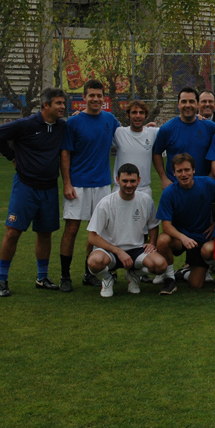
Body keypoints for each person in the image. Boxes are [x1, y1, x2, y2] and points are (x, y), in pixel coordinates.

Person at [0, 87, 67, 297]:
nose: (63, 106)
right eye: (58, 103)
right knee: (13, 231)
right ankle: (2, 279)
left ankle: (42, 277)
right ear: (45, 105)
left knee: (45, 233)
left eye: (63, 103)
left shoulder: (62, 127)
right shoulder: (26, 124)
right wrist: (12, 157)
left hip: (49, 188)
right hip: (26, 186)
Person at [60, 79, 120, 291]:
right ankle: (65, 276)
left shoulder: (110, 120)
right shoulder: (74, 122)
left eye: (99, 95)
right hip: (78, 184)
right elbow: (65, 153)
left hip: (102, 184)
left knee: (98, 231)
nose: (95, 99)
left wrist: (149, 128)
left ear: (104, 99)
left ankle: (89, 272)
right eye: (91, 95)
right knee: (72, 228)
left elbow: (128, 136)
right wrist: (67, 183)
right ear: (83, 98)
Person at [85, 163, 165, 298]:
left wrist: (152, 242)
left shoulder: (146, 200)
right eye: (125, 181)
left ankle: (134, 274)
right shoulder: (106, 203)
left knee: (160, 265)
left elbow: (153, 224)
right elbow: (92, 237)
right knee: (94, 262)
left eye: (133, 181)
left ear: (139, 181)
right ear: (117, 180)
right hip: (110, 251)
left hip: (137, 250)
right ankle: (108, 278)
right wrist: (118, 251)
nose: (129, 185)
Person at [155, 154, 215, 293]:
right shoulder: (169, 193)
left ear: (194, 170)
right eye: (179, 171)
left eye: (187, 170)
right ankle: (169, 278)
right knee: (162, 240)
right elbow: (166, 226)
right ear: (174, 173)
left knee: (196, 284)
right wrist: (183, 237)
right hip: (180, 238)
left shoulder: (208, 184)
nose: (183, 174)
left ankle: (184, 273)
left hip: (201, 238)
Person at [153, 88, 215, 187]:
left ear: (197, 105)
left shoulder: (210, 127)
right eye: (184, 102)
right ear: (178, 105)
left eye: (191, 101)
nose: (187, 105)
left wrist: (210, 177)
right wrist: (163, 178)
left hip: (203, 187)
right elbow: (156, 153)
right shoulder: (167, 129)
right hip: (176, 187)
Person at [112, 100, 159, 197]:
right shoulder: (119, 132)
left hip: (144, 190)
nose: (138, 116)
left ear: (146, 116)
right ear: (128, 115)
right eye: (134, 112)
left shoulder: (153, 133)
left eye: (141, 113)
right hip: (120, 189)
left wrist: (197, 116)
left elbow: (175, 129)